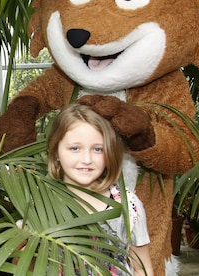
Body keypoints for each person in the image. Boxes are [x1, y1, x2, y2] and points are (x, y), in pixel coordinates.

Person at [46, 103, 154, 276]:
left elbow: (142, 268)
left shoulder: (128, 205)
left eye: (98, 149)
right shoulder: (42, 201)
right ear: (56, 151)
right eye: (75, 148)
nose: (87, 159)